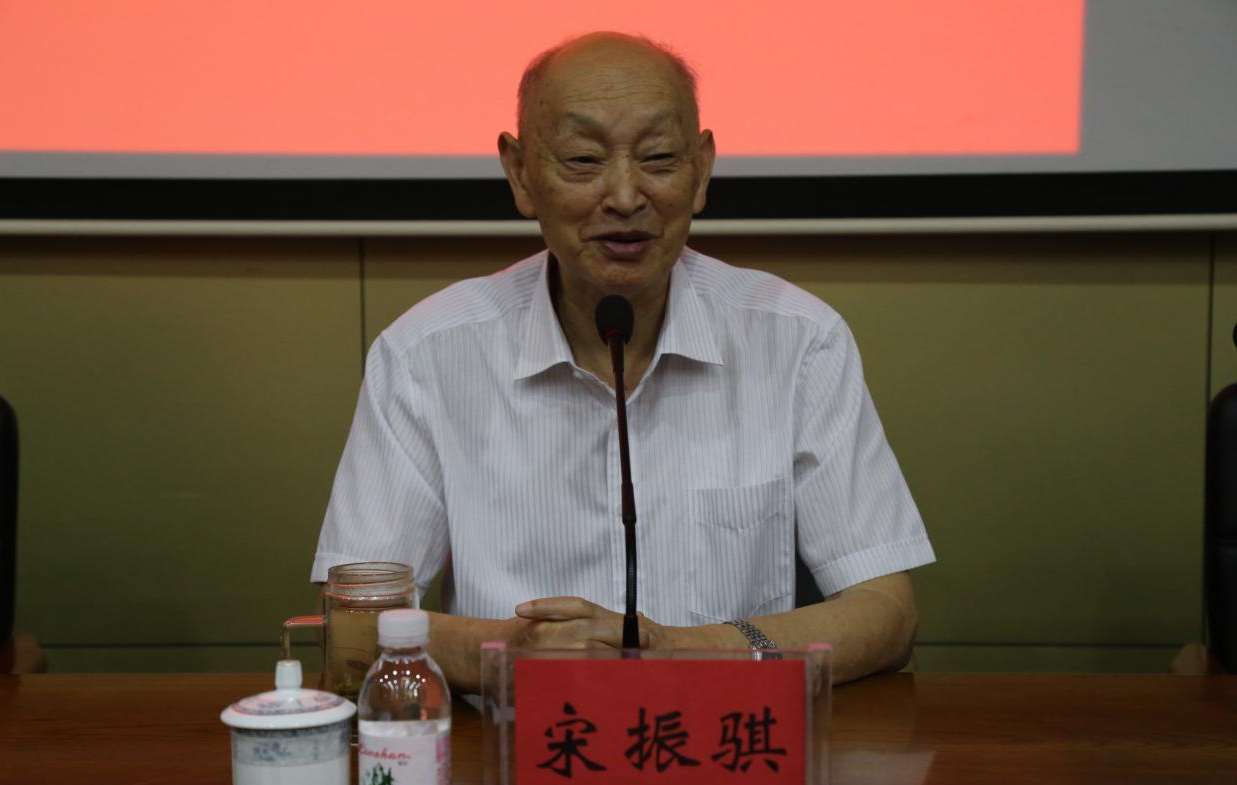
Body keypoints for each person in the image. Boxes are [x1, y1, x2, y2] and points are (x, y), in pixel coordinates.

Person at [313, 32, 935, 692]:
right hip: (508, 742)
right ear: (520, 175)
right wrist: (508, 655)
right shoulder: (426, 355)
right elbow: (349, 625)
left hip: (727, 737)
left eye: (659, 158)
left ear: (702, 170)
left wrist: (685, 650)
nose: (626, 196)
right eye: (583, 160)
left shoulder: (799, 341)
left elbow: (887, 613)